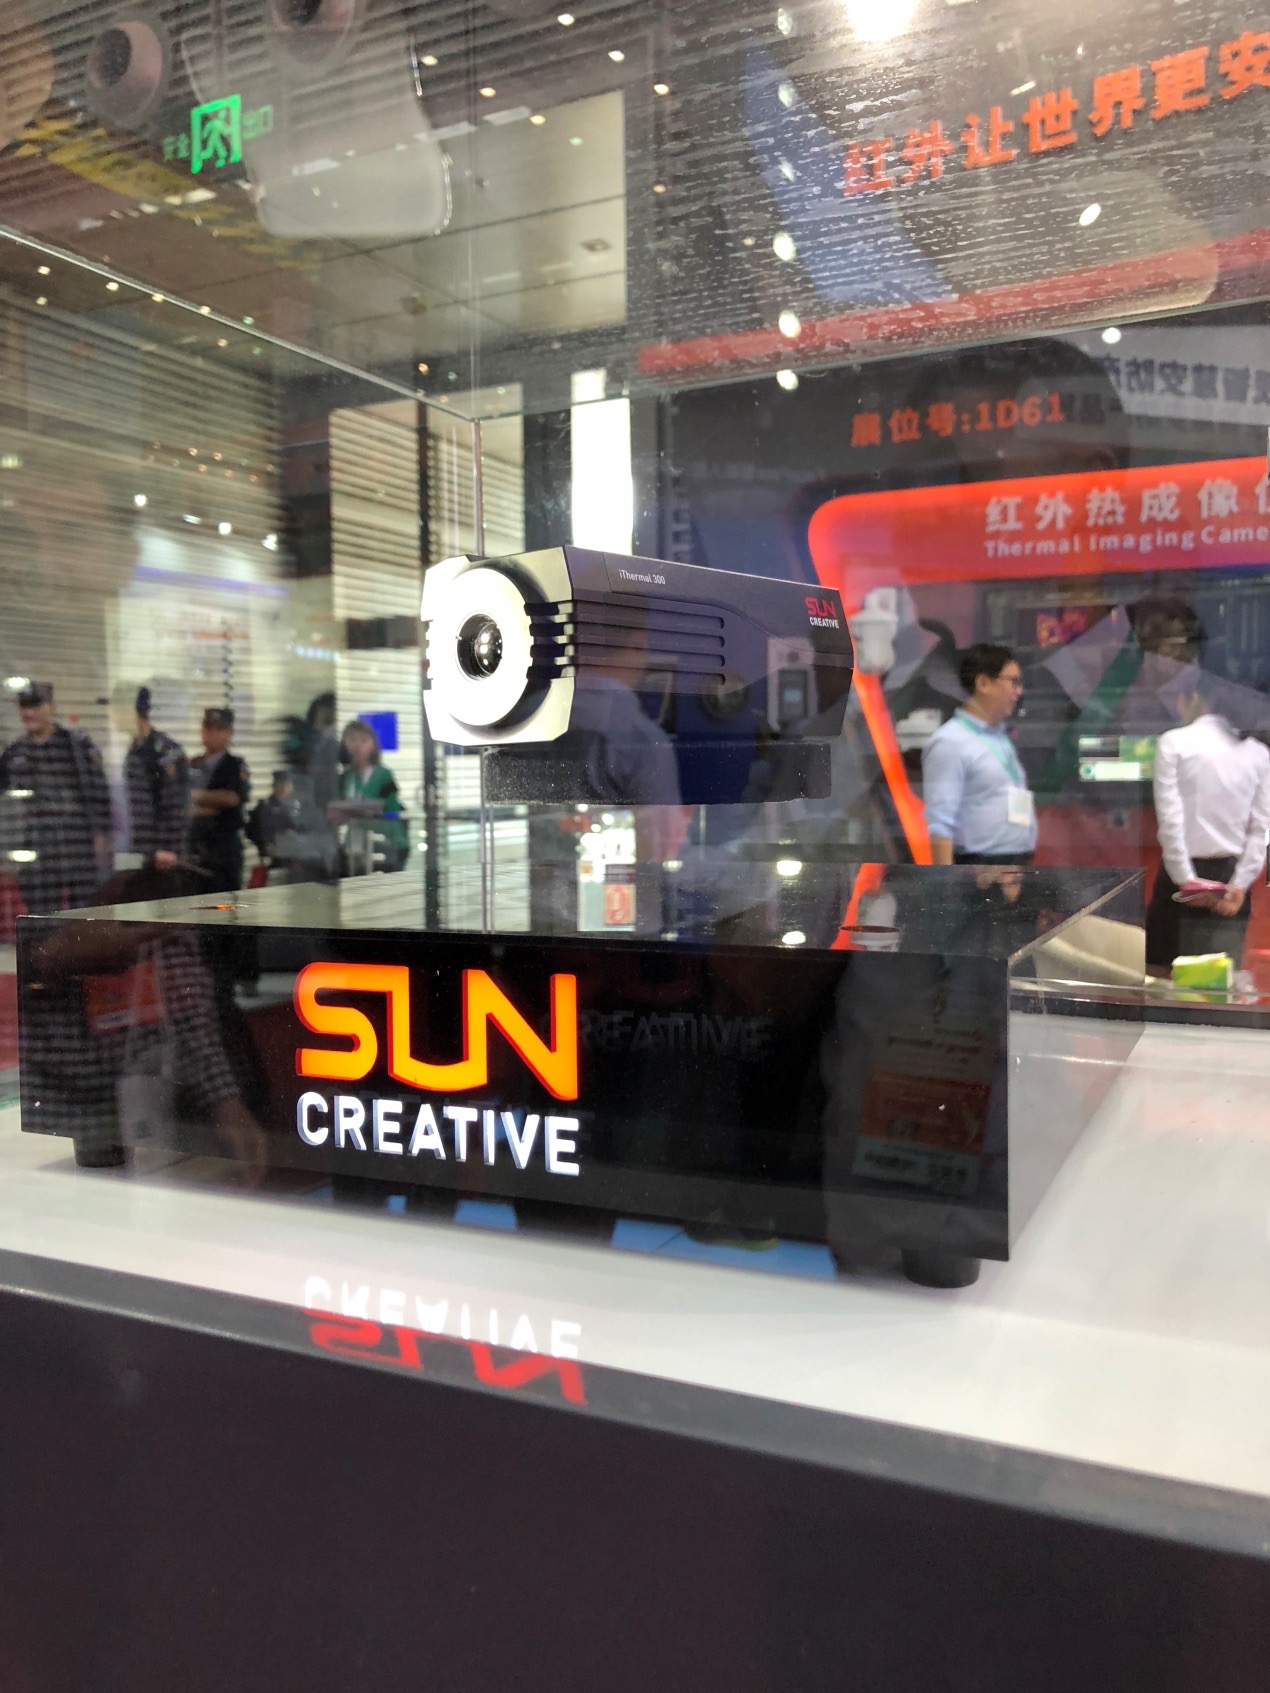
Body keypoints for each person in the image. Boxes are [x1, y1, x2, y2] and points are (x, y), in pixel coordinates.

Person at [1146, 692, 1270, 971]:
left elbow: (1171, 822)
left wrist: (1186, 880)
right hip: (1230, 877)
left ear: (1194, 698)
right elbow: (1262, 828)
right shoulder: (1258, 753)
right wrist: (1240, 883)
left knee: (1161, 976)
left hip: (1180, 874)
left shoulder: (1173, 742)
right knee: (1218, 980)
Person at [0, 682, 112, 914]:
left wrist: (101, 837)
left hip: (77, 846)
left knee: (83, 914)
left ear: (51, 707)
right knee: (41, 917)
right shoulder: (15, 753)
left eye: (35, 706)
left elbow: (99, 795)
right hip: (36, 848)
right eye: (24, 707)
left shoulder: (76, 747)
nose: (29, 713)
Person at [922, 643, 1036, 866]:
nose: (1019, 691)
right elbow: (940, 824)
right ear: (983, 683)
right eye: (1013, 681)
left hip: (1014, 863)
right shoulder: (950, 742)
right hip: (978, 868)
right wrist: (944, 881)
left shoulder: (1000, 737)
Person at [123, 685, 189, 873]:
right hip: (143, 854)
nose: (113, 718)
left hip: (164, 859)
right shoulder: (134, 750)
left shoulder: (164, 752)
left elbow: (176, 806)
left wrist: (169, 850)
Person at [188, 706, 250, 893]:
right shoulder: (192, 764)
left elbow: (231, 799)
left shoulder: (235, 765)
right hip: (195, 850)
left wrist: (195, 795)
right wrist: (212, 804)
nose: (213, 733)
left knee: (225, 905)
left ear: (229, 733)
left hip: (224, 852)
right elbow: (181, 803)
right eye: (208, 728)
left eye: (219, 729)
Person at [332, 720, 408, 873]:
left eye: (363, 740)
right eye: (352, 740)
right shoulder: (344, 778)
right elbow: (336, 815)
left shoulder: (384, 776)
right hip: (355, 847)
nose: (358, 745)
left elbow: (391, 811)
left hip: (387, 844)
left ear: (373, 744)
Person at [246, 770, 302, 877]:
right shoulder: (265, 806)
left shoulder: (296, 805)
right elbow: (256, 830)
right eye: (280, 784)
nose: (283, 788)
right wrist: (265, 845)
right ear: (274, 786)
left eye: (287, 784)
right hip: (276, 856)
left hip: (297, 854)